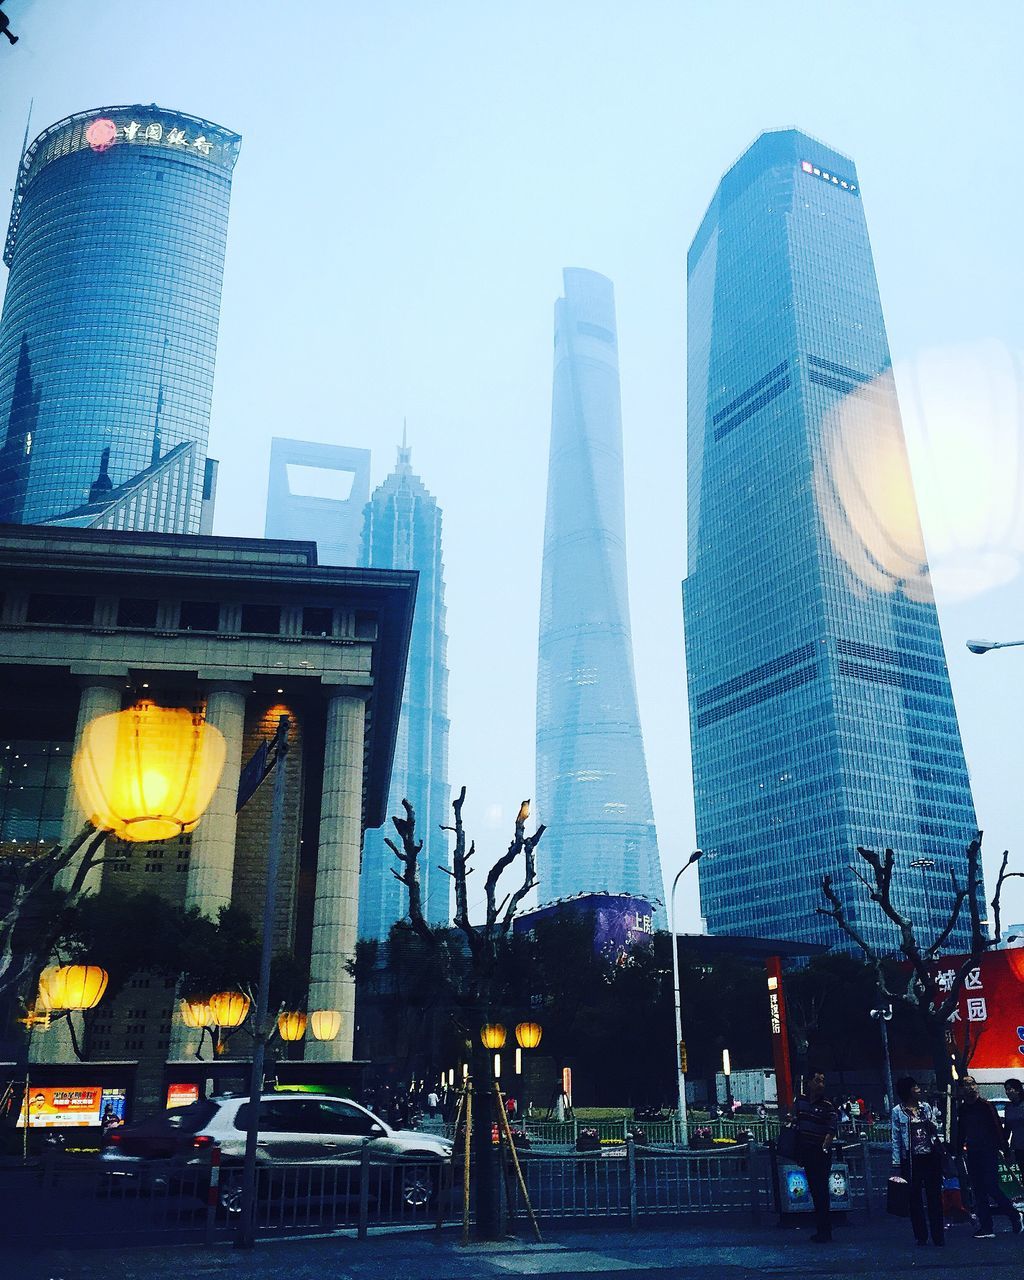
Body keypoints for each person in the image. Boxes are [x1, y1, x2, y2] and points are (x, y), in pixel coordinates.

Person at [956, 1075, 1024, 1238]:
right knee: (978, 1189)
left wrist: (1004, 1148)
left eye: (972, 1084)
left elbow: (998, 1128)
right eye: (966, 1085)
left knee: (990, 1185)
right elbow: (961, 1130)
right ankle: (987, 1227)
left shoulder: (986, 1106)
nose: (970, 1087)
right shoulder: (963, 1109)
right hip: (973, 1151)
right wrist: (958, 1148)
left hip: (988, 1151)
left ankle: (1014, 1215)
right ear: (962, 1089)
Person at [890, 1076, 945, 1246]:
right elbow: (896, 1137)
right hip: (911, 1159)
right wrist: (896, 1162)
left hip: (930, 1156)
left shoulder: (925, 1108)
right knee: (914, 1198)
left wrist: (930, 1123)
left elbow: (936, 1127)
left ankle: (938, 1235)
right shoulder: (898, 1111)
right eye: (914, 1087)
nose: (918, 1089)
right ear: (907, 1090)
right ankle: (921, 1235)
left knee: (934, 1196)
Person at [793, 1068, 837, 1243]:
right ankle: (821, 1228)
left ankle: (825, 1230)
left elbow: (832, 1128)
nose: (820, 1085)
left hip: (820, 1153)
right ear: (809, 1082)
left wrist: (824, 1146)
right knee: (815, 1189)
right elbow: (797, 1121)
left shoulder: (827, 1104)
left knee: (821, 1191)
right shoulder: (801, 1101)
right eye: (817, 1080)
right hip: (807, 1152)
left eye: (822, 1081)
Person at [1003, 1078, 1024, 1184]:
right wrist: (1004, 1147)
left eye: (1009, 1089)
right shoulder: (1009, 1108)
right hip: (1018, 1147)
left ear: (1018, 1090)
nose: (1007, 1092)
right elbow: (1007, 1129)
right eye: (1006, 1090)